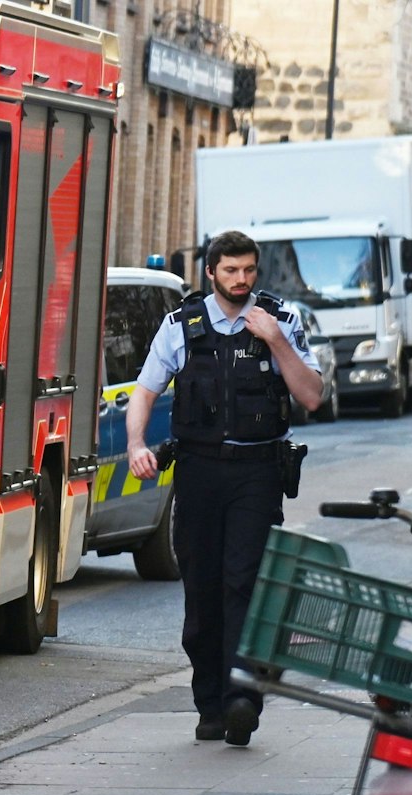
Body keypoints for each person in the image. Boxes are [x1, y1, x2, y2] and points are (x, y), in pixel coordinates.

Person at [126, 230, 324, 747]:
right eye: (232, 271)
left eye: (250, 270)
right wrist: (136, 445)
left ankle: (242, 700)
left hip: (257, 472)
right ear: (211, 272)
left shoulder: (281, 320)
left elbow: (311, 396)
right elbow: (145, 391)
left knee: (245, 584)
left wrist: (276, 340)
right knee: (202, 588)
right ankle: (209, 703)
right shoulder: (181, 326)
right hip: (198, 471)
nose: (242, 280)